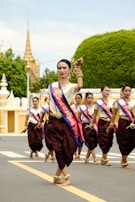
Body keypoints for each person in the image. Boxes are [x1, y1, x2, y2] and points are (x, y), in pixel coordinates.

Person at [45, 58, 84, 186]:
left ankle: (57, 176)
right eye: (59, 68)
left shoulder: (71, 87)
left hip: (66, 122)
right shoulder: (52, 86)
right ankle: (67, 177)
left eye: (64, 68)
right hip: (53, 122)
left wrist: (78, 68)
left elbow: (80, 85)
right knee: (58, 149)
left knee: (69, 148)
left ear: (69, 70)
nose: (61, 70)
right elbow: (50, 104)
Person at [106, 84, 135, 168]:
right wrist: (111, 123)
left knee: (132, 141)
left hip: (131, 122)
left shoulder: (133, 101)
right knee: (123, 140)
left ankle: (124, 159)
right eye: (126, 90)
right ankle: (124, 161)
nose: (127, 92)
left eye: (129, 91)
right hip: (122, 122)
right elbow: (114, 114)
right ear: (123, 91)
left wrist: (133, 123)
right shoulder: (118, 102)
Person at [90, 86, 114, 166]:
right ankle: (105, 159)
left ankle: (103, 158)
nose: (107, 92)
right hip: (103, 122)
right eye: (106, 90)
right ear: (101, 91)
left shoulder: (111, 101)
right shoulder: (98, 102)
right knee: (104, 140)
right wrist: (92, 124)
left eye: (108, 91)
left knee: (109, 140)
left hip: (110, 122)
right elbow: (95, 114)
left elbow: (114, 113)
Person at [79, 92, 98, 164]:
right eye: (89, 98)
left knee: (93, 142)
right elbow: (78, 118)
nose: (90, 99)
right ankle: (95, 159)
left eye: (91, 98)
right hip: (85, 126)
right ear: (86, 98)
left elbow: (95, 117)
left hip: (93, 125)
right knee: (90, 141)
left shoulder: (94, 107)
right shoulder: (82, 107)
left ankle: (86, 158)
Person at [39, 96, 55, 162]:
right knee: (49, 142)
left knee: (56, 142)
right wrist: (40, 123)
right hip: (48, 125)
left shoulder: (56, 107)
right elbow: (42, 116)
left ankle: (47, 154)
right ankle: (52, 157)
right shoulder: (45, 107)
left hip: (55, 125)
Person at [70, 93, 83, 160]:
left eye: (79, 98)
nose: (77, 100)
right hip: (74, 125)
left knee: (81, 141)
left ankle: (79, 154)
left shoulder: (83, 107)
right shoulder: (72, 107)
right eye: (76, 98)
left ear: (81, 99)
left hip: (81, 125)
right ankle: (75, 153)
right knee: (74, 140)